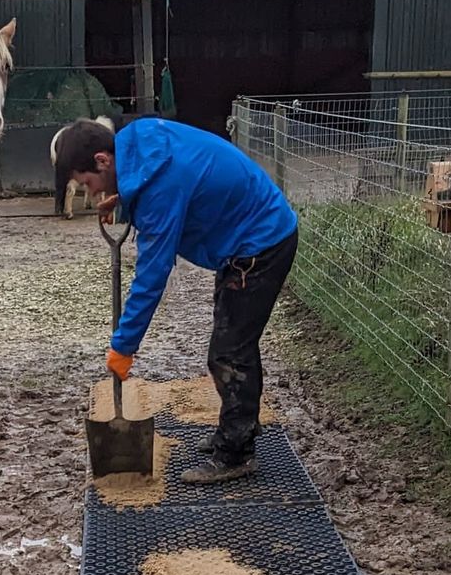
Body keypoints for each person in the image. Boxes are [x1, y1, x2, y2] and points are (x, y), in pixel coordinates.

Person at [53, 114, 298, 483]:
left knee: (230, 352)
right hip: (245, 234)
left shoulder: (159, 189)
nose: (91, 193)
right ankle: (237, 427)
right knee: (234, 343)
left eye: (88, 183)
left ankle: (236, 454)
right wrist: (125, 199)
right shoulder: (139, 140)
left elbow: (151, 276)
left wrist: (124, 347)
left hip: (261, 244)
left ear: (103, 161)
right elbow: (171, 181)